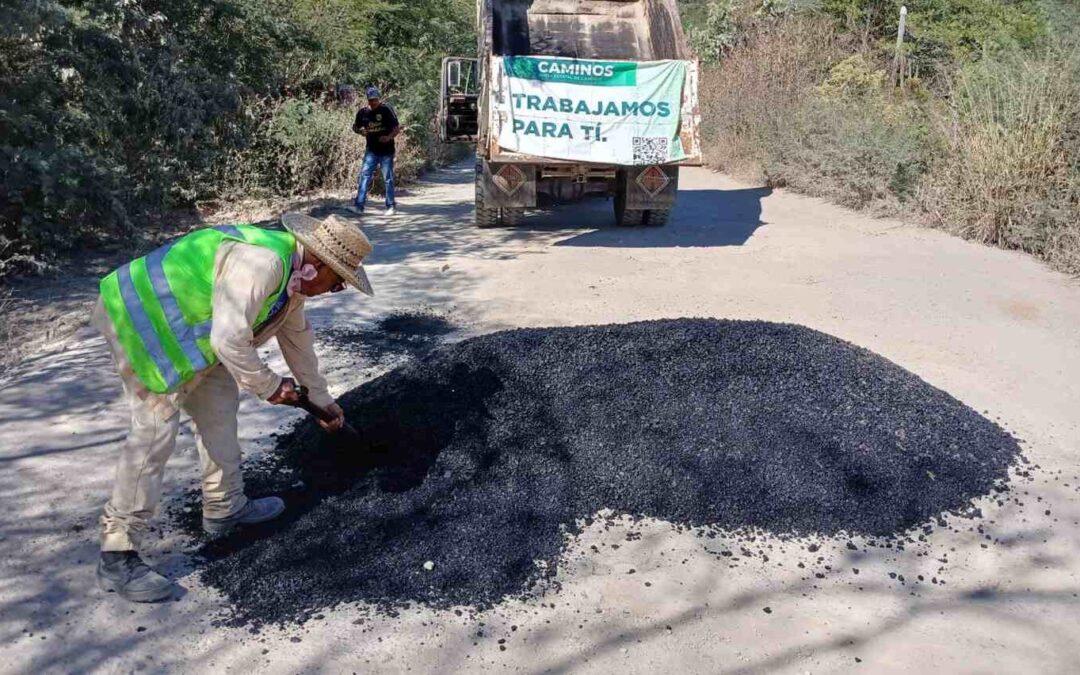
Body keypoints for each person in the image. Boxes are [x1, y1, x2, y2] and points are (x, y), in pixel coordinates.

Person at [93, 214, 374, 602]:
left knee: (220, 411)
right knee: (154, 430)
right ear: (318, 264)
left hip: (192, 335)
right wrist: (270, 386)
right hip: (141, 320)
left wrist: (323, 401)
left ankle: (224, 508)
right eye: (339, 279)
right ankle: (117, 552)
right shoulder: (264, 263)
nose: (337, 288)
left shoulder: (294, 282)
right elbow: (228, 340)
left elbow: (298, 342)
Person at [350, 86, 401, 216]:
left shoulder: (386, 110)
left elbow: (396, 128)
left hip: (386, 151)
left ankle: (390, 206)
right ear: (367, 100)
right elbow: (355, 126)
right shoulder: (363, 113)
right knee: (364, 176)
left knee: (388, 178)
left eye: (375, 99)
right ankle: (359, 206)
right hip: (371, 150)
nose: (373, 102)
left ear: (379, 99)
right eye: (371, 100)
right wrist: (360, 131)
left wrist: (388, 137)